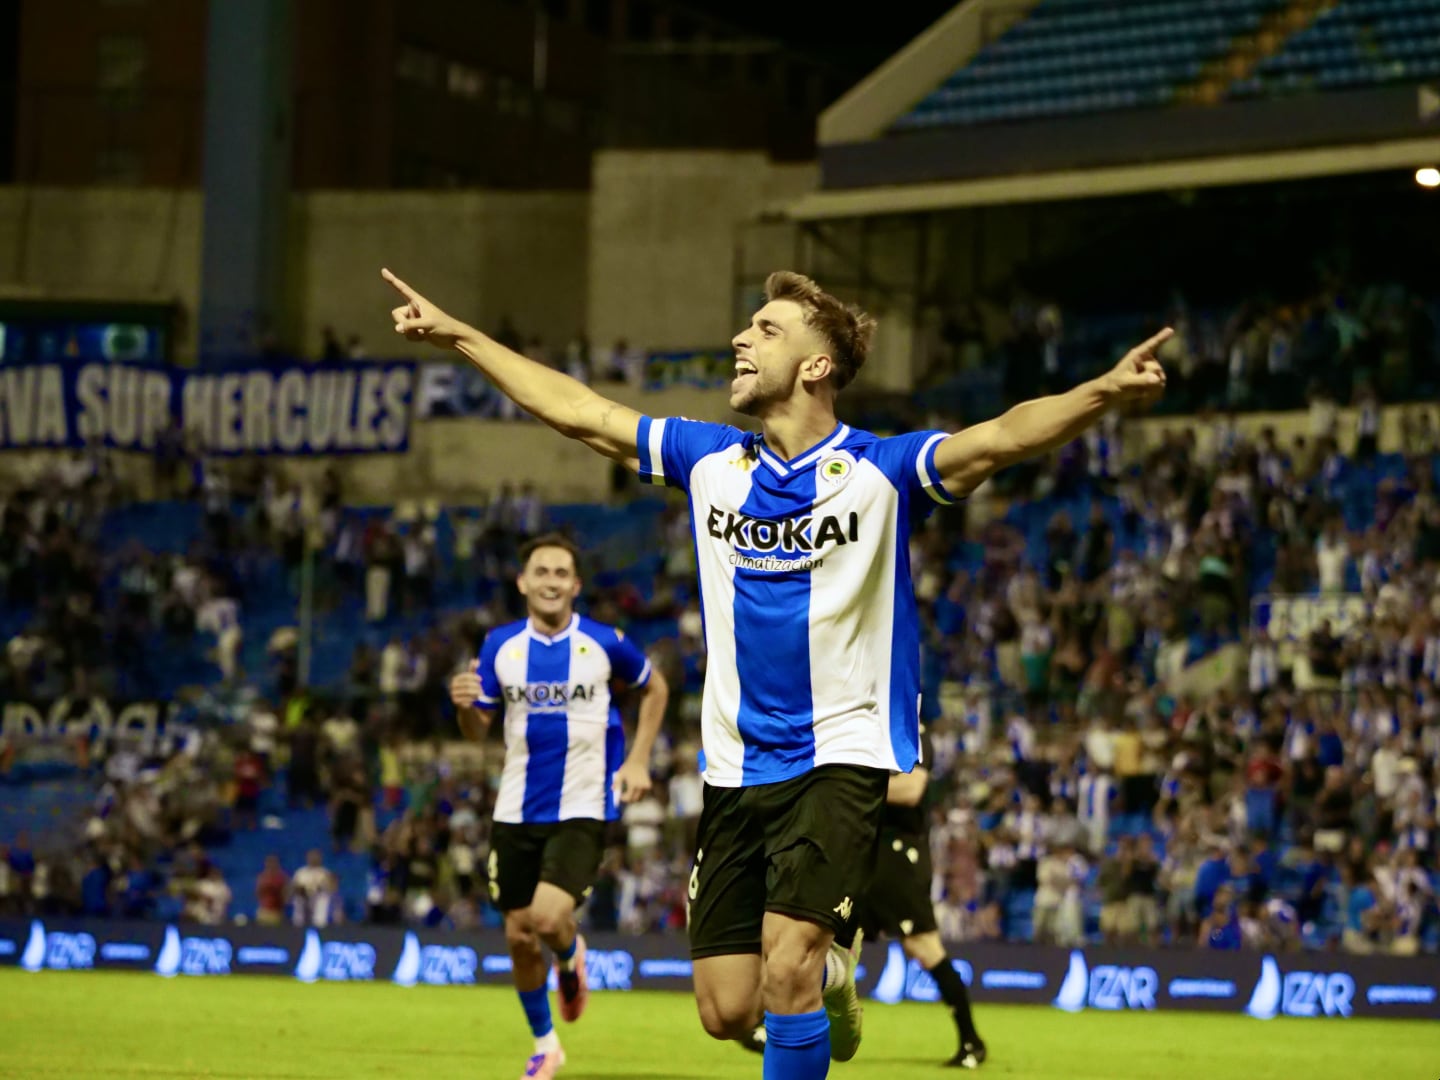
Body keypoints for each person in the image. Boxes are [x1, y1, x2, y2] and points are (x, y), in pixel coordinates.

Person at [388, 265, 1167, 1080]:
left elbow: (1004, 435)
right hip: (734, 770)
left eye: (765, 330)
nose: (740, 338)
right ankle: (832, 971)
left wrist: (1102, 393)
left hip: (840, 757)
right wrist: (463, 337)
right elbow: (583, 413)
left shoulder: (879, 472)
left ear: (817, 365)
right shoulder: (711, 461)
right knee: (728, 1009)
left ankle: (814, 965)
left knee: (785, 966)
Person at [448, 532, 669, 1080]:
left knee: (548, 918)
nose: (550, 581)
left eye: (560, 573)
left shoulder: (604, 643)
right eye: (540, 572)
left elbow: (656, 688)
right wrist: (463, 709)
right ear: (523, 582)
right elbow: (478, 729)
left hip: (583, 805)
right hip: (516, 809)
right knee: (519, 934)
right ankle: (546, 1046)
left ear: (575, 584)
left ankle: (571, 958)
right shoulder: (500, 646)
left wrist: (638, 760)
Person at [741, 727, 986, 1068]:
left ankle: (971, 1040)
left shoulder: (912, 731)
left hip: (897, 853)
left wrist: (845, 788)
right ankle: (770, 1024)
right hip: (856, 847)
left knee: (922, 946)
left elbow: (912, 788)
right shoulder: (861, 728)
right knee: (809, 931)